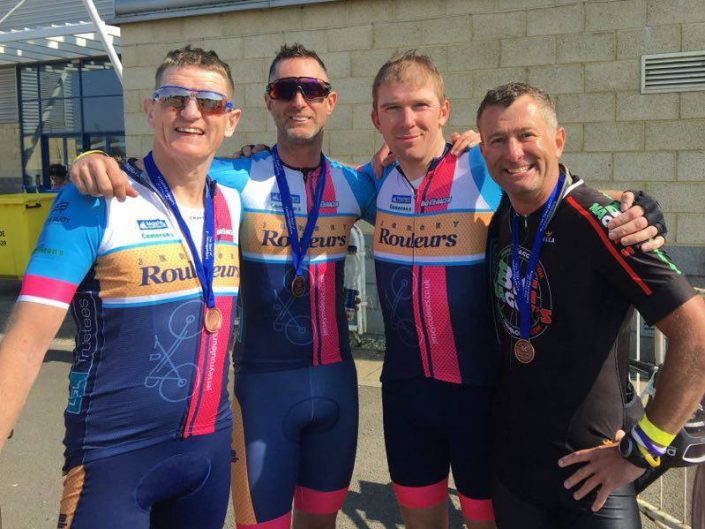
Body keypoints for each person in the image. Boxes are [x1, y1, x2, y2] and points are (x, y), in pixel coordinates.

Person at [71, 43, 377, 529]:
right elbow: (157, 165)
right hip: (263, 391)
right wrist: (91, 158)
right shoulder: (234, 176)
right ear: (269, 100)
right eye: (285, 89)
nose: (299, 100)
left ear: (331, 101)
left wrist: (462, 149)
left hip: (338, 383)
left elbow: (419, 184)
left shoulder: (356, 184)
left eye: (313, 90)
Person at [0, 45, 243, 529]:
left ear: (230, 120)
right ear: (150, 109)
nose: (191, 112)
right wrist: (89, 158)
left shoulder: (234, 203)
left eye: (209, 102)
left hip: (207, 455)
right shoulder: (94, 200)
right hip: (112, 459)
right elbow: (25, 342)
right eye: (174, 98)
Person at [479, 82, 705, 528]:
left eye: (526, 135)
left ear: (558, 140)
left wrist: (642, 450)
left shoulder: (607, 224)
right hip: (514, 472)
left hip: (594, 479)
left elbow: (696, 338)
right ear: (483, 150)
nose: (513, 152)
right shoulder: (504, 213)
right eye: (497, 140)